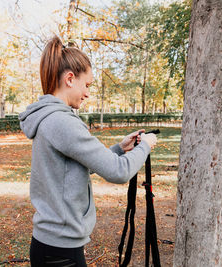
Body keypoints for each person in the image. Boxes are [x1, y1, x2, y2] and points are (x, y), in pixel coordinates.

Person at [19, 36, 157, 267]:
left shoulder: (49, 118)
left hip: (52, 246)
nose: (88, 93)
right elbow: (118, 172)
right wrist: (145, 145)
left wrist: (120, 149)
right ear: (70, 79)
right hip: (60, 252)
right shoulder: (62, 122)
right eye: (87, 85)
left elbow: (70, 170)